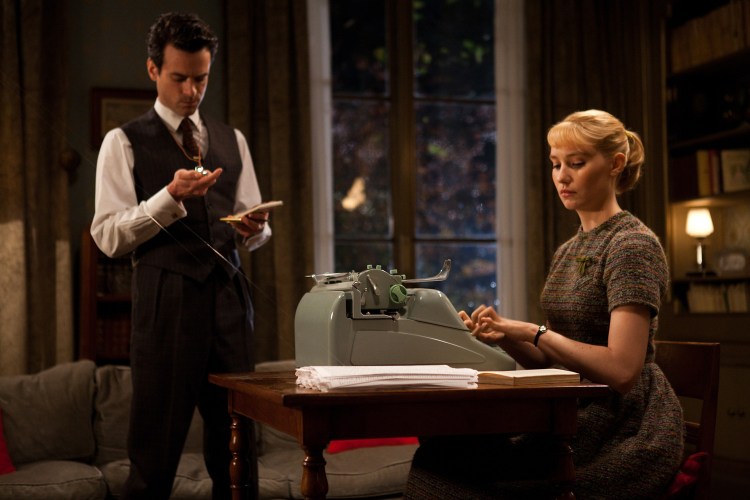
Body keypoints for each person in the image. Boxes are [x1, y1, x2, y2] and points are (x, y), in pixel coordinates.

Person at [405, 109, 684, 499]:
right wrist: (504, 335)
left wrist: (533, 332)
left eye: (576, 163)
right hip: (569, 407)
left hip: (620, 424)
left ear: (615, 164)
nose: (562, 177)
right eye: (556, 164)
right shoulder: (568, 250)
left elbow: (622, 371)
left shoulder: (632, 245)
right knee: (437, 455)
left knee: (456, 473)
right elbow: (552, 361)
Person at [91, 12, 269, 499]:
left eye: (201, 79)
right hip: (164, 302)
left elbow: (253, 224)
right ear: (153, 70)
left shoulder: (233, 140)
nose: (191, 91)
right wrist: (169, 197)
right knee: (154, 455)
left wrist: (256, 229)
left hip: (230, 305)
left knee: (238, 454)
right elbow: (107, 236)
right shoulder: (122, 142)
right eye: (179, 78)